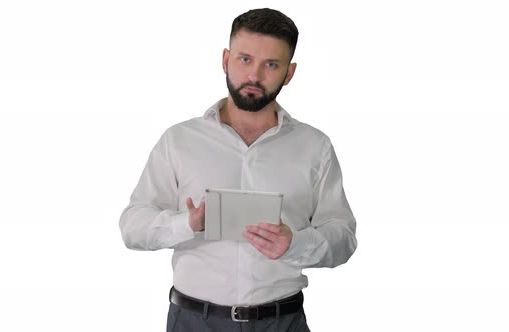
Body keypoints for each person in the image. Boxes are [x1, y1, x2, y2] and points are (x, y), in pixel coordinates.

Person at [119, 8, 357, 332]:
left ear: (289, 73)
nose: (254, 76)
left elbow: (343, 238)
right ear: (225, 59)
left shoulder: (315, 147)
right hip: (193, 322)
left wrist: (295, 244)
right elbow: (132, 227)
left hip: (281, 323)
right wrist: (186, 224)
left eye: (271, 65)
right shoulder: (178, 140)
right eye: (245, 59)